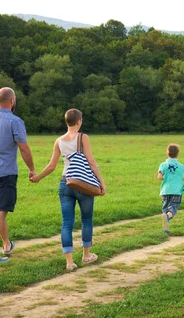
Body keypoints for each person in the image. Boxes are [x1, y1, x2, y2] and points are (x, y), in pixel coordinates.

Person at [30, 109, 106, 270]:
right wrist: (101, 182)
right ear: (79, 121)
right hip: (83, 183)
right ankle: (86, 255)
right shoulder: (82, 137)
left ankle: (69, 262)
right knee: (86, 220)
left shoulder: (59, 141)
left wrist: (38, 177)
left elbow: (51, 166)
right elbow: (91, 162)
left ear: (67, 122)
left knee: (67, 223)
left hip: (65, 183)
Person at [0, 87, 36, 265]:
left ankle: (6, 244)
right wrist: (32, 169)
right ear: (12, 101)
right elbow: (24, 148)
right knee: (0, 212)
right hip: (5, 172)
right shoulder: (15, 121)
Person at [157, 143, 184, 234]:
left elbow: (159, 177)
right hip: (177, 190)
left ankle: (165, 230)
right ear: (177, 154)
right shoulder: (181, 166)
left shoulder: (163, 165)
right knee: (173, 207)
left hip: (165, 190)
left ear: (167, 153)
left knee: (165, 209)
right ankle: (168, 217)